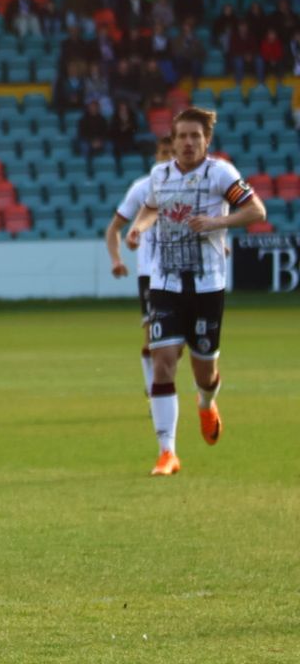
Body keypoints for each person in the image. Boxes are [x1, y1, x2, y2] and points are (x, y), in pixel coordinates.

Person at [125, 107, 265, 476]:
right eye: (182, 136)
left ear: (207, 140)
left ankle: (206, 403)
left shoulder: (221, 173)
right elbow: (150, 209)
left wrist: (218, 221)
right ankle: (167, 452)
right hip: (165, 282)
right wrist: (138, 228)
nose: (188, 143)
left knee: (205, 372)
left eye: (195, 136)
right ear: (172, 141)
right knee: (163, 361)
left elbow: (256, 211)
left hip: (207, 286)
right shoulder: (160, 175)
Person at [106, 134, 175, 453]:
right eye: (163, 152)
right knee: (153, 339)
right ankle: (153, 391)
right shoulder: (141, 187)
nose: (168, 157)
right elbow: (113, 228)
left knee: (177, 346)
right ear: (155, 155)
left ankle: (162, 388)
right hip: (151, 274)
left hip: (183, 270)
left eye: (172, 152)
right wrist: (116, 259)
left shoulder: (191, 186)